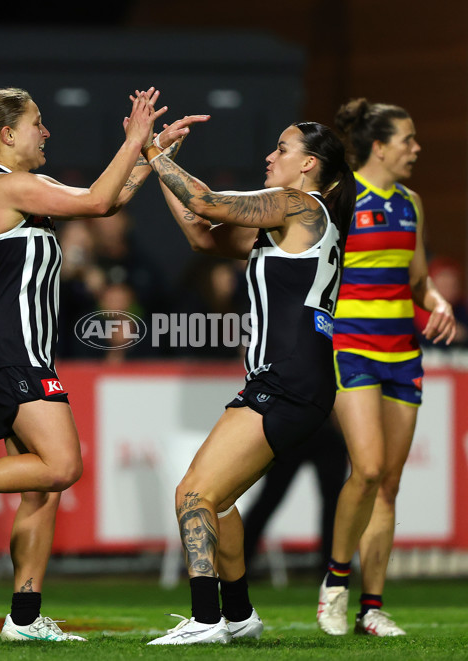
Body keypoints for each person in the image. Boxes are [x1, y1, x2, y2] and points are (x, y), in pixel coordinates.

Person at [0, 86, 203, 643]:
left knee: (41, 490)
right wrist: (134, 139)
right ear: (7, 135)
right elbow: (96, 204)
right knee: (63, 466)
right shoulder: (2, 186)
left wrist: (153, 153)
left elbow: (104, 196)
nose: (46, 132)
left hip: (22, 349)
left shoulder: (26, 189)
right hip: (11, 348)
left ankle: (24, 616)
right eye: (37, 123)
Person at [141, 110, 356, 645]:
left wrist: (150, 152)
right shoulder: (291, 223)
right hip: (290, 380)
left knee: (192, 493)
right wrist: (158, 158)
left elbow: (205, 201)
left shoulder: (298, 204)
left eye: (281, 149)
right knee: (219, 502)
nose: (269, 156)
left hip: (287, 379)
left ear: (308, 165)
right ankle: (237, 615)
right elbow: (203, 237)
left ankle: (206, 618)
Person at [316, 99, 456, 638]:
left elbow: (418, 280)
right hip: (351, 347)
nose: (416, 148)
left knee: (390, 484)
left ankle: (371, 609)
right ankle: (335, 581)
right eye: (408, 140)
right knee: (368, 470)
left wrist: (438, 303)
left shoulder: (411, 203)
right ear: (379, 146)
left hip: (403, 352)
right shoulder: (341, 196)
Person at [243, 415, 348, 576]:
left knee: (334, 505)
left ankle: (332, 567)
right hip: (299, 426)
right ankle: (239, 561)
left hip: (308, 426)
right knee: (270, 498)